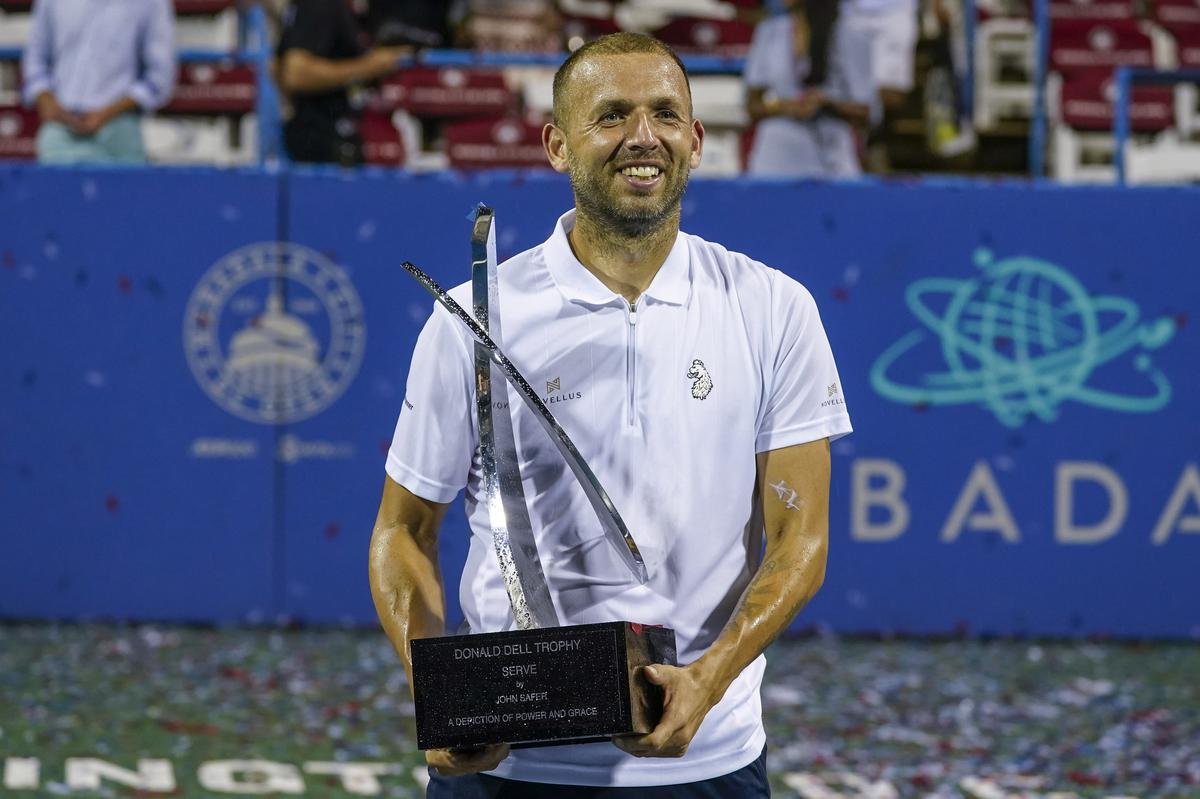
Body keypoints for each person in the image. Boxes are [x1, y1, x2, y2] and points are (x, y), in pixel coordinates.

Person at [369, 32, 852, 797]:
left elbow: (803, 538)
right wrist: (439, 700)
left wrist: (709, 679)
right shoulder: (473, 318)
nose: (643, 137)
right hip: (511, 768)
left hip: (709, 761)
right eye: (612, 115)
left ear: (695, 139)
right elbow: (403, 531)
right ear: (557, 145)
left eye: (665, 113)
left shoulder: (773, 308)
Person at [21, 0, 176, 164]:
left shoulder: (151, 3)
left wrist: (107, 113)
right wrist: (49, 102)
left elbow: (159, 76)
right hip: (61, 125)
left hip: (119, 127)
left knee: (123, 188)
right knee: (50, 186)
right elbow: (35, 60)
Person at [744, 0, 876, 178]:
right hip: (774, 159)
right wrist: (786, 107)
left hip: (831, 160)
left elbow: (867, 112)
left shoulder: (850, 36)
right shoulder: (769, 32)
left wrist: (827, 104)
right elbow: (752, 107)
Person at [276, 0, 409, 165]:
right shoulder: (321, 5)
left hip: (343, 129)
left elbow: (276, 66)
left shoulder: (354, 9)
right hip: (321, 135)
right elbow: (296, 73)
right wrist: (369, 67)